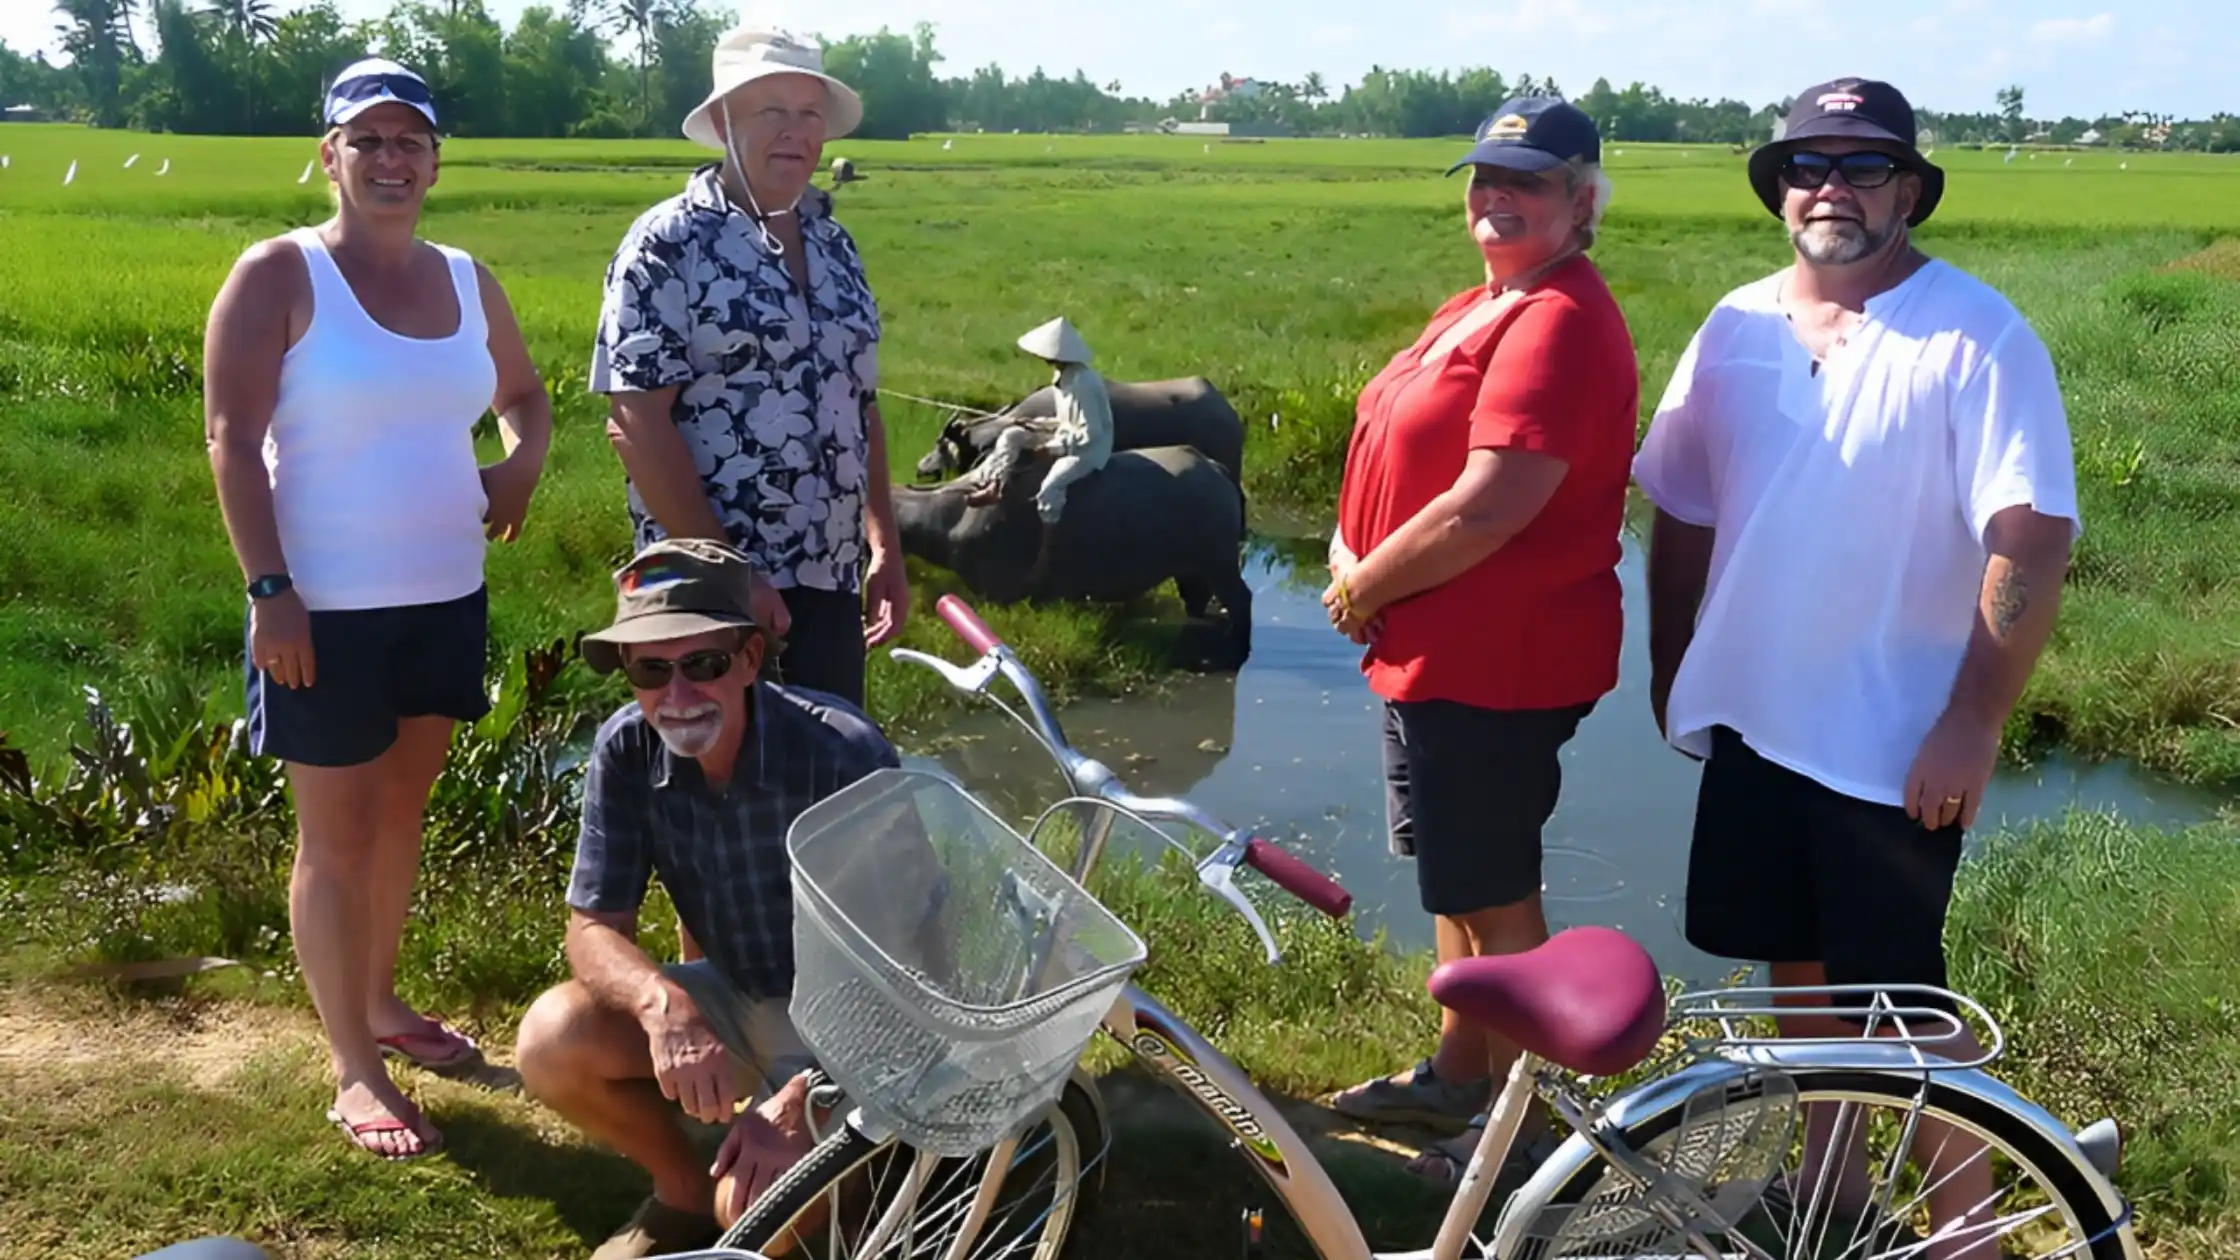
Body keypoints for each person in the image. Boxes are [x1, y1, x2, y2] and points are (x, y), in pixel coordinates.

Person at [1634, 78, 2079, 1251]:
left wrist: (1972, 722)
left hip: (1889, 737)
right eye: (1805, 166)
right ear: (1776, 189)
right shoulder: (1732, 325)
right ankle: (1828, 1196)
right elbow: (1677, 505)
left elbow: (2028, 532)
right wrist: (1670, 659)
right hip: (1751, 713)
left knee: (1899, 1004)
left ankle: (1967, 1228)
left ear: (1908, 191)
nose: (1829, 187)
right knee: (1796, 966)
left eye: (1861, 166)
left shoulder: (1974, 333)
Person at [201, 57, 551, 1161]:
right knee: (336, 839)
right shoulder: (280, 274)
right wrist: (271, 593)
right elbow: (228, 438)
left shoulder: (466, 278)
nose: (391, 161)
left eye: (411, 143)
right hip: (324, 610)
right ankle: (351, 1065)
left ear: (434, 161)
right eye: (369, 141)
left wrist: (520, 468)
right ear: (331, 156)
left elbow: (526, 399)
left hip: (445, 595)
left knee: (401, 815)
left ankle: (382, 1004)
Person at [1317, 98, 1636, 1186]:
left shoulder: (1557, 321)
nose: (1494, 198)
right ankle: (1460, 1072)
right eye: (1481, 179)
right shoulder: (1488, 299)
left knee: (1494, 891)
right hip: (1432, 646)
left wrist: (1362, 580)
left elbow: (1490, 504)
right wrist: (1346, 552)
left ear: (1582, 201)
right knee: (1458, 876)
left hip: (1498, 659)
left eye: (1527, 183)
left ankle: (1520, 1135)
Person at [514, 537, 900, 1260]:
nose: (678, 694)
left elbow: (912, 964)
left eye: (704, 664)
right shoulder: (625, 749)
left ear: (751, 660)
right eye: (651, 669)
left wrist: (803, 1096)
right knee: (549, 1039)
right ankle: (679, 1186)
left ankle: (880, 1165)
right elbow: (593, 924)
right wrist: (664, 1003)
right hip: (732, 989)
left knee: (748, 1217)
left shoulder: (843, 753)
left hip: (853, 1021)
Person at [590, 26, 906, 710]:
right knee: (710, 797)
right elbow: (634, 421)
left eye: (809, 113)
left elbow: (861, 405)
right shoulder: (667, 244)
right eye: (772, 111)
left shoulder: (834, 243)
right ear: (725, 121)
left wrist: (884, 543)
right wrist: (733, 574)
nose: (795, 132)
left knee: (826, 785)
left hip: (827, 579)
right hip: (700, 595)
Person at [965, 316, 1118, 581]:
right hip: (1067, 434)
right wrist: (1037, 424)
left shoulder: (1085, 383)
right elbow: (1065, 420)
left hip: (1088, 450)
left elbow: (1091, 432)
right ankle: (994, 484)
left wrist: (1055, 449)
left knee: (1050, 487)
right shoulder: (1063, 376)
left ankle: (1045, 558)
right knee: (1012, 435)